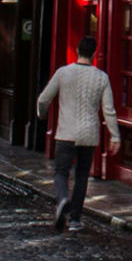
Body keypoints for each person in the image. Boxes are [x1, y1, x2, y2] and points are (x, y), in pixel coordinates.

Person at [36, 34, 119, 232]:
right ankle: (75, 219)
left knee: (60, 172)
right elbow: (109, 110)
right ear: (94, 54)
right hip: (89, 135)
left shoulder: (63, 73)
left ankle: (63, 198)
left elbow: (43, 99)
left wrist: (42, 115)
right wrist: (115, 135)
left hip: (66, 133)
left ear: (77, 51)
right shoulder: (101, 77)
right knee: (82, 176)